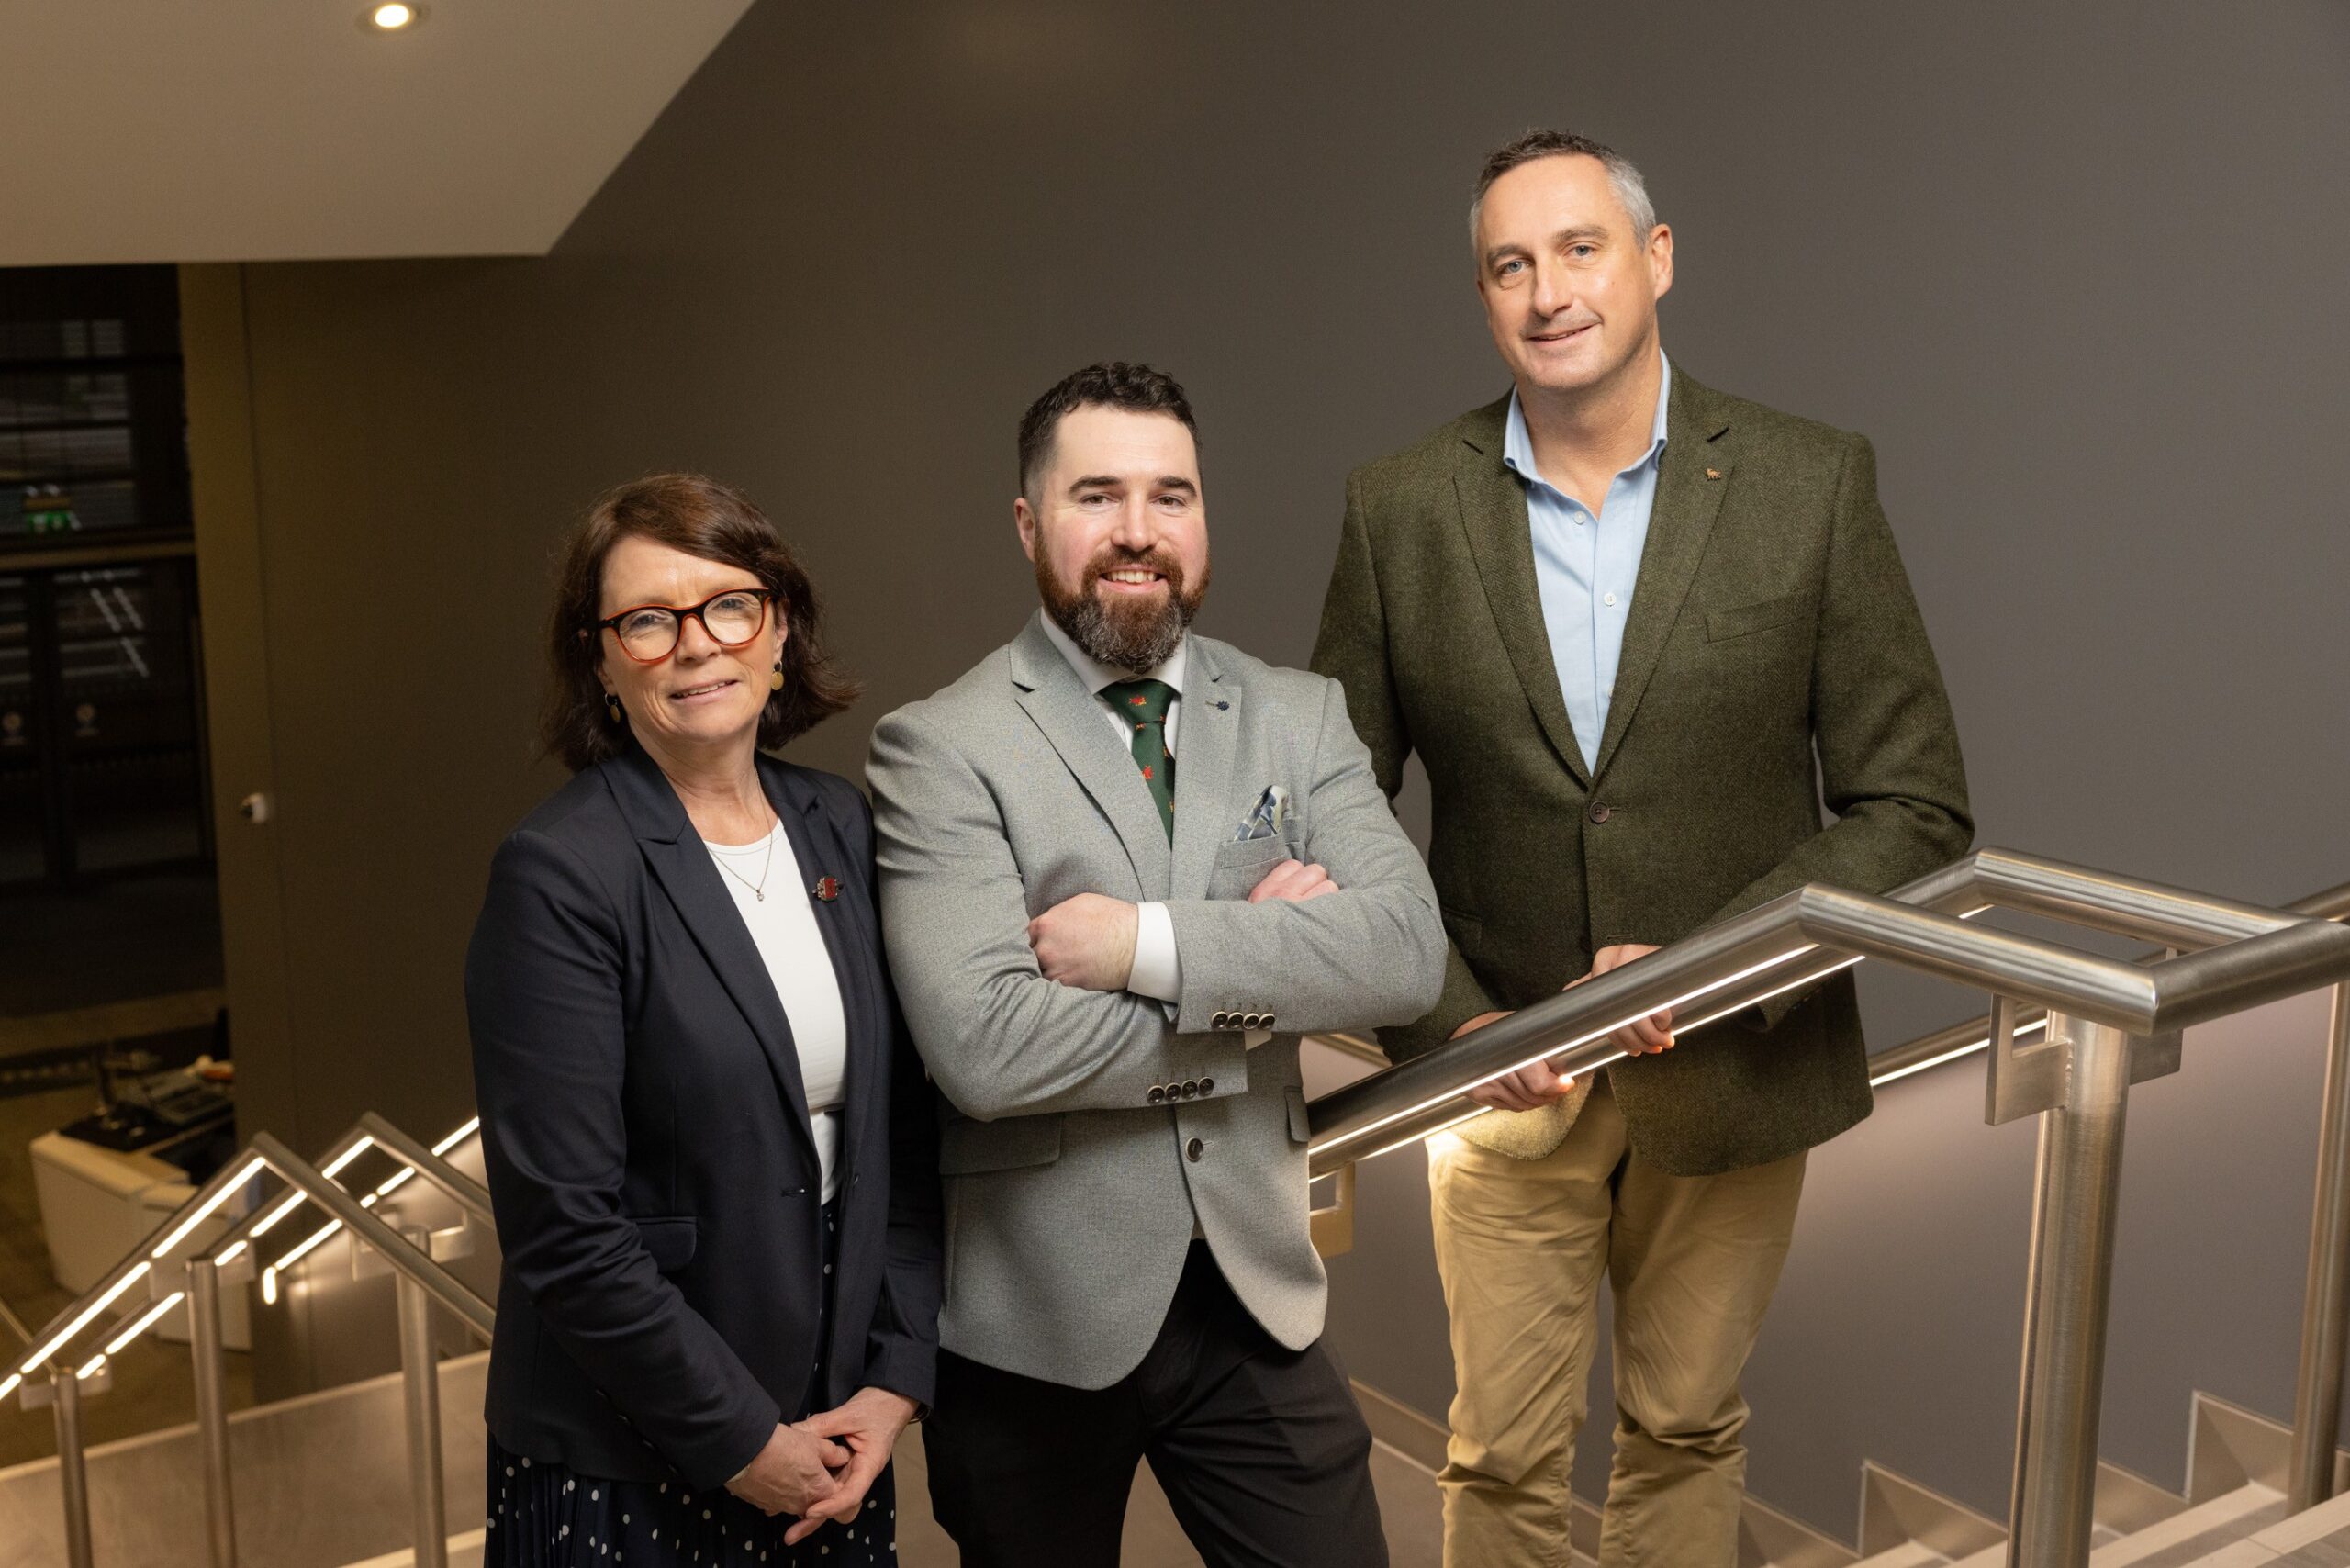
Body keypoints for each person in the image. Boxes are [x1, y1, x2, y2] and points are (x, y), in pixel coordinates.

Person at [1311, 130, 1973, 1566]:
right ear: (1484, 297)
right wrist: (1454, 1022)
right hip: (1504, 1071)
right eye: (1510, 264)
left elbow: (1913, 804)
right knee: (1494, 1460)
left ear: (1656, 259)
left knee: (1686, 1428)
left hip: (1736, 1064)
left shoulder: (1813, 483)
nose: (1548, 290)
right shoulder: (1400, 509)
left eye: (1580, 247)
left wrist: (1724, 964)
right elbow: (1337, 816)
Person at [867, 362, 1447, 1567]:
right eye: (1098, 496)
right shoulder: (940, 747)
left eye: (1171, 496)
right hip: (1034, 1322)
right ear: (1031, 523)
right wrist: (1266, 998)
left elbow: (1402, 956)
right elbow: (986, 1048)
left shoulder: (1302, 714)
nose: (1139, 533)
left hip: (1253, 1295)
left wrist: (1146, 947)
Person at [465, 474, 941, 1566]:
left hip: (833, 1433)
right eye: (645, 620)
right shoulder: (560, 873)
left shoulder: (840, 825)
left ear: (780, 629)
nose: (695, 645)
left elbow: (900, 1140)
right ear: (600, 661)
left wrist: (892, 1381)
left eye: (730, 605)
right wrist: (738, 1439)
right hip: (629, 1449)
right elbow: (564, 1226)